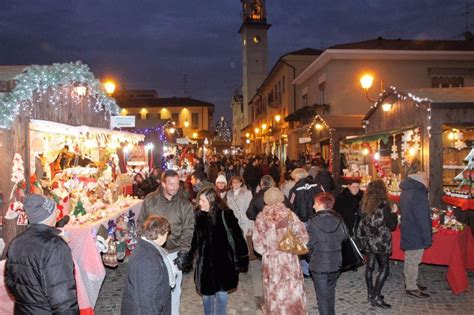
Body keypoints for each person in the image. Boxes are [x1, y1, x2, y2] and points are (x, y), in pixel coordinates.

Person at [6, 194, 79, 314]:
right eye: (55, 210)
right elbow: (63, 298)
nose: (57, 213)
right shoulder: (55, 247)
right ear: (50, 215)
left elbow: (10, 284)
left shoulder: (15, 243)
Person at [137, 170, 195, 315]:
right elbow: (141, 222)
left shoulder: (184, 204)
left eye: (177, 184)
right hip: (153, 253)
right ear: (163, 184)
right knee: (153, 289)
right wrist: (143, 245)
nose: (175, 187)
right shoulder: (150, 200)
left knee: (174, 290)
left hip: (173, 253)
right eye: (171, 184)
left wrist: (184, 251)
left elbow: (188, 229)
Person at [188, 188, 249, 315]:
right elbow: (195, 239)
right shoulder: (199, 216)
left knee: (222, 294)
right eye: (199, 200)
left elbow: (238, 237)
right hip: (205, 264)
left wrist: (242, 259)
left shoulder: (225, 214)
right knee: (207, 295)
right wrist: (188, 258)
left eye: (203, 200)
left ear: (211, 200)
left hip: (223, 262)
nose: (200, 203)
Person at [253, 188, 308, 314]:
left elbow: (257, 244)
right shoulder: (290, 215)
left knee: (274, 289)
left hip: (271, 260)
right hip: (289, 259)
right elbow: (304, 238)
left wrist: (267, 252)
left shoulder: (261, 217)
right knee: (291, 289)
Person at [356, 180, 398, 308]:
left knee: (370, 267)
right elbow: (392, 225)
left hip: (368, 240)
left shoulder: (363, 204)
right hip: (381, 242)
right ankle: (376, 296)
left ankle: (370, 294)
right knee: (385, 268)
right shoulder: (384, 206)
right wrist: (394, 213)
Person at [121, 215, 175, 314]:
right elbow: (145, 301)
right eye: (167, 233)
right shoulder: (147, 261)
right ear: (161, 234)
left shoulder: (146, 248)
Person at [307, 192, 347, 315]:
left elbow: (309, 244)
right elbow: (345, 236)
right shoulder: (339, 219)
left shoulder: (313, 222)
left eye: (315, 204)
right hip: (335, 263)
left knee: (322, 297)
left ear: (320, 204)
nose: (313, 206)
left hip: (319, 264)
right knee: (330, 292)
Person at [399, 171, 431, 298]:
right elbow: (422, 217)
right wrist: (427, 236)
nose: (428, 182)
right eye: (427, 179)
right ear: (422, 179)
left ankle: (410, 282)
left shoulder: (407, 189)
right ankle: (411, 286)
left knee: (410, 258)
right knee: (413, 260)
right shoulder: (418, 192)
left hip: (408, 228)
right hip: (416, 231)